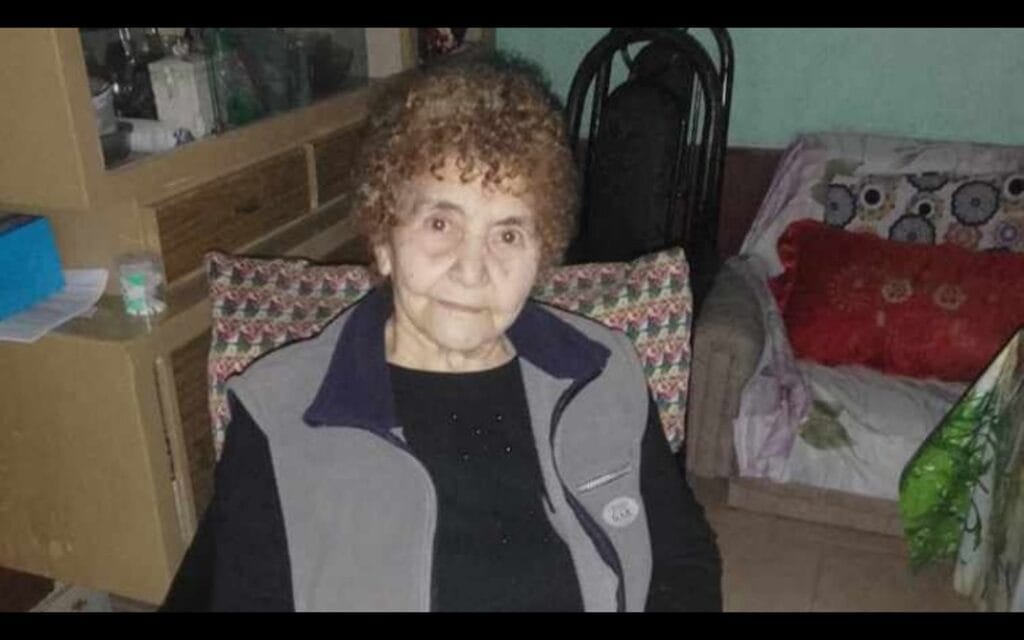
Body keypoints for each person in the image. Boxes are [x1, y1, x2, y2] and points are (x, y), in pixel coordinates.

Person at [161, 57, 721, 612]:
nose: (471, 270)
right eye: (440, 224)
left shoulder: (601, 371)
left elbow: (682, 559)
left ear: (542, 255)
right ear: (385, 239)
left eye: (508, 234)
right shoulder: (281, 415)